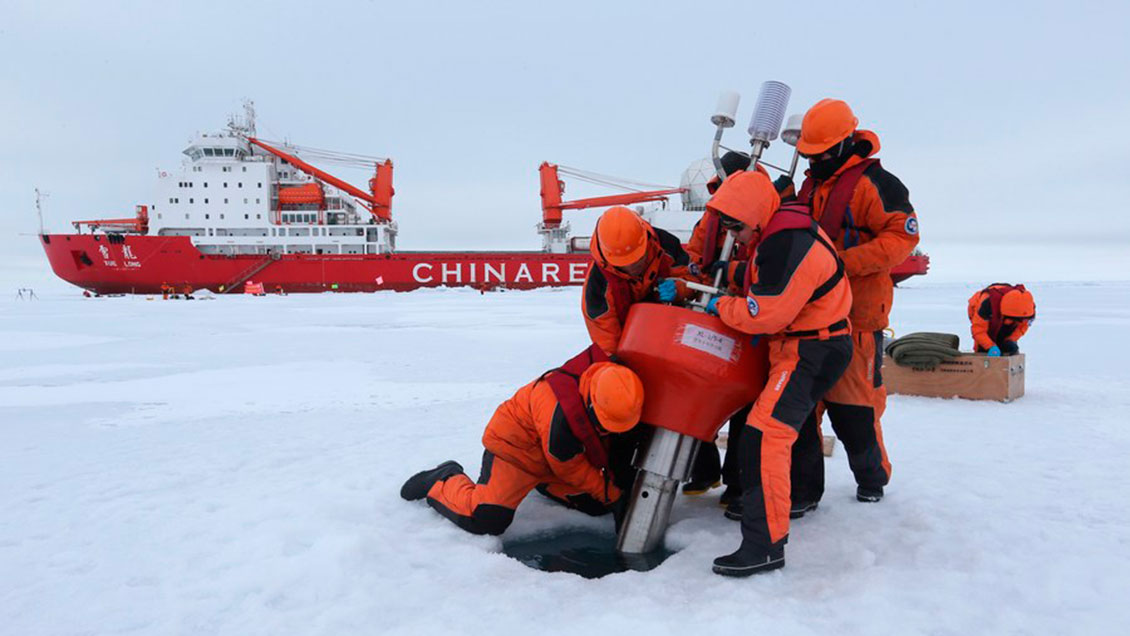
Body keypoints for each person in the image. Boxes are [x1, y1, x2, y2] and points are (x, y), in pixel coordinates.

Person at [696, 170, 853, 576]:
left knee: (765, 437)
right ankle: (785, 507)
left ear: (754, 214)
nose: (734, 234)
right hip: (800, 345)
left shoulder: (787, 242)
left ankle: (764, 546)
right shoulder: (777, 234)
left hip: (810, 349)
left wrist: (721, 308)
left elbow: (763, 313)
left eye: (736, 225)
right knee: (780, 430)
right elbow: (760, 279)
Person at [787, 98, 920, 506]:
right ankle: (803, 493)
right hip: (807, 321)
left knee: (856, 411)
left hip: (858, 321)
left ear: (845, 143)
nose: (816, 161)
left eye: (822, 153)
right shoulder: (808, 185)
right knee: (800, 414)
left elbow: (903, 239)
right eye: (809, 155)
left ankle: (872, 479)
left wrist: (841, 264)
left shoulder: (879, 185)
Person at [400, 346, 645, 536]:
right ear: (592, 403)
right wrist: (613, 494)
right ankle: (444, 478)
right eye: (604, 425)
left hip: (552, 460)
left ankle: (542, 484)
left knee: (596, 506)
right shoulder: (559, 415)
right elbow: (567, 465)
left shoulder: (616, 387)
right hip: (516, 453)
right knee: (487, 519)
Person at [582, 205, 694, 355]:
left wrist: (679, 289)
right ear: (609, 259)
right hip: (631, 344)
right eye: (623, 264)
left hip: (676, 334)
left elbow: (695, 282)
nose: (632, 266)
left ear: (646, 241)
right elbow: (607, 345)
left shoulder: (667, 245)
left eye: (637, 259)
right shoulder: (597, 288)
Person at [967, 284, 1035, 355]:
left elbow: (1021, 328)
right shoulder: (987, 304)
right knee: (983, 347)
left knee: (1008, 347)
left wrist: (1010, 340)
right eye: (1012, 320)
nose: (1018, 322)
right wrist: (990, 346)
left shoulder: (1027, 308)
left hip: (1003, 312)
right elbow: (978, 330)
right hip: (978, 309)